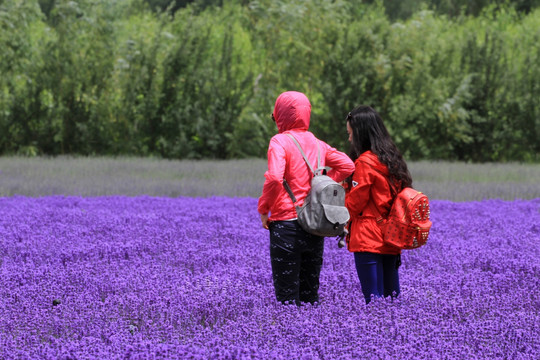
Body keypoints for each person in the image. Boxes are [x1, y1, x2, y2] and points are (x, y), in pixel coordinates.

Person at [258, 91, 355, 306]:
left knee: (287, 298)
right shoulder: (318, 143)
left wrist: (264, 209)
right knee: (310, 296)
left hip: (286, 225)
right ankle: (310, 337)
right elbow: (348, 165)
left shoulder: (279, 142)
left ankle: (287, 337)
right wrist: (322, 184)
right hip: (314, 224)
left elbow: (274, 178)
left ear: (280, 115)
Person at [344, 105, 413, 304]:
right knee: (392, 299)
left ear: (361, 134)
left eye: (351, 134)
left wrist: (341, 193)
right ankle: (394, 334)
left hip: (368, 237)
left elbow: (354, 205)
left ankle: (379, 334)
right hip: (392, 237)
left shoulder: (364, 163)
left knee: (373, 301)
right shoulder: (393, 161)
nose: (349, 139)